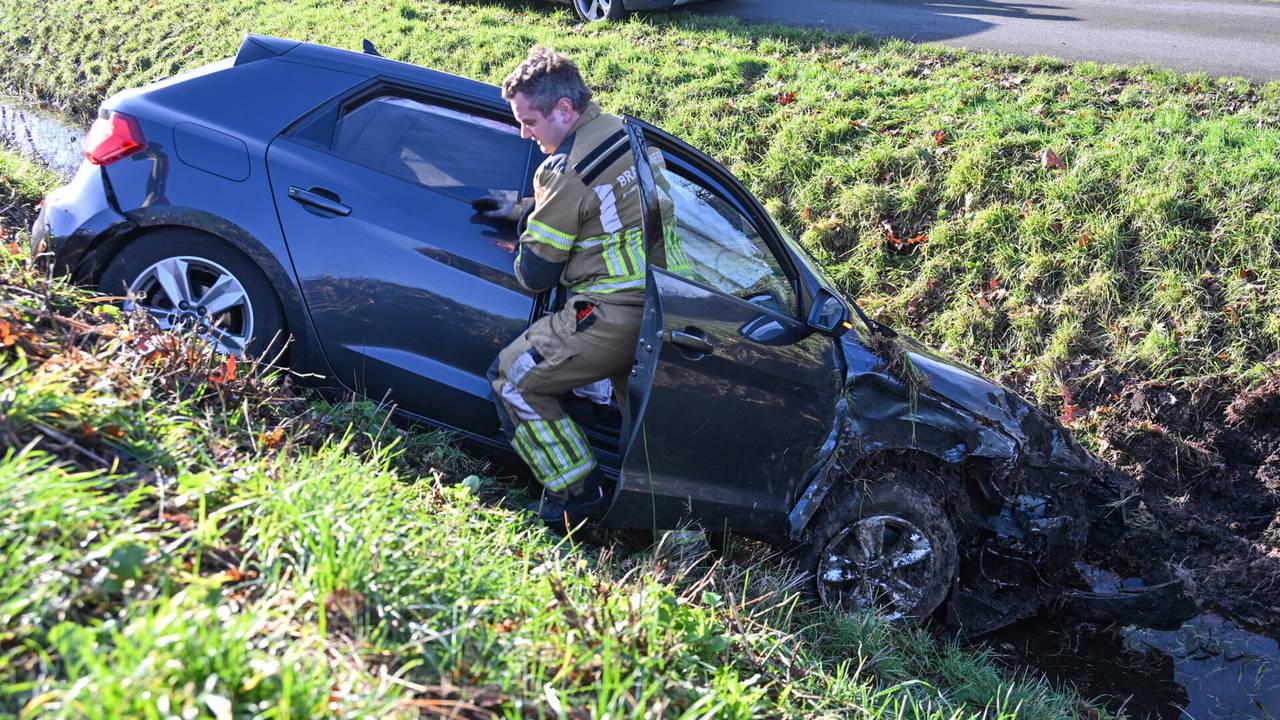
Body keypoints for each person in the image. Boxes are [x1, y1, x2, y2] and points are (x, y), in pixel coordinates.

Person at [475, 47, 649, 525]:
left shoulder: (563, 170)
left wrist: (525, 228)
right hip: (660, 313)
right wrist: (528, 204)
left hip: (608, 314)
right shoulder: (624, 133)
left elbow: (536, 274)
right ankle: (659, 522)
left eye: (529, 122)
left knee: (512, 379)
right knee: (643, 421)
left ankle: (576, 496)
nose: (524, 134)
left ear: (564, 109)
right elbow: (597, 203)